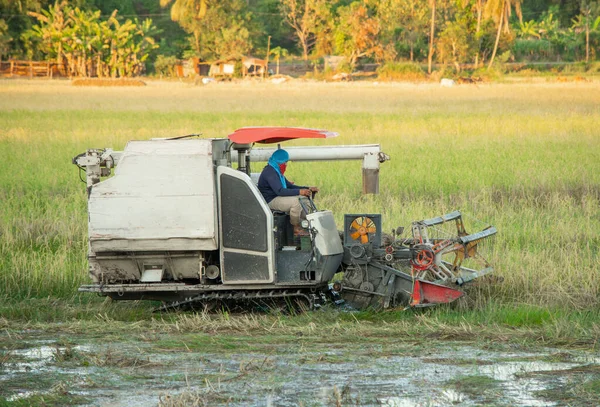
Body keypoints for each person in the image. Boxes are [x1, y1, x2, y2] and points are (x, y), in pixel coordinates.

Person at [258, 149, 319, 234]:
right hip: (270, 200)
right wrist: (299, 192)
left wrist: (307, 189)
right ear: (280, 161)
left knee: (305, 199)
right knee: (296, 202)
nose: (286, 164)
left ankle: (305, 224)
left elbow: (290, 186)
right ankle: (295, 228)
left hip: (277, 197)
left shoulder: (276, 170)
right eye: (285, 162)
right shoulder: (270, 172)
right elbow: (280, 191)